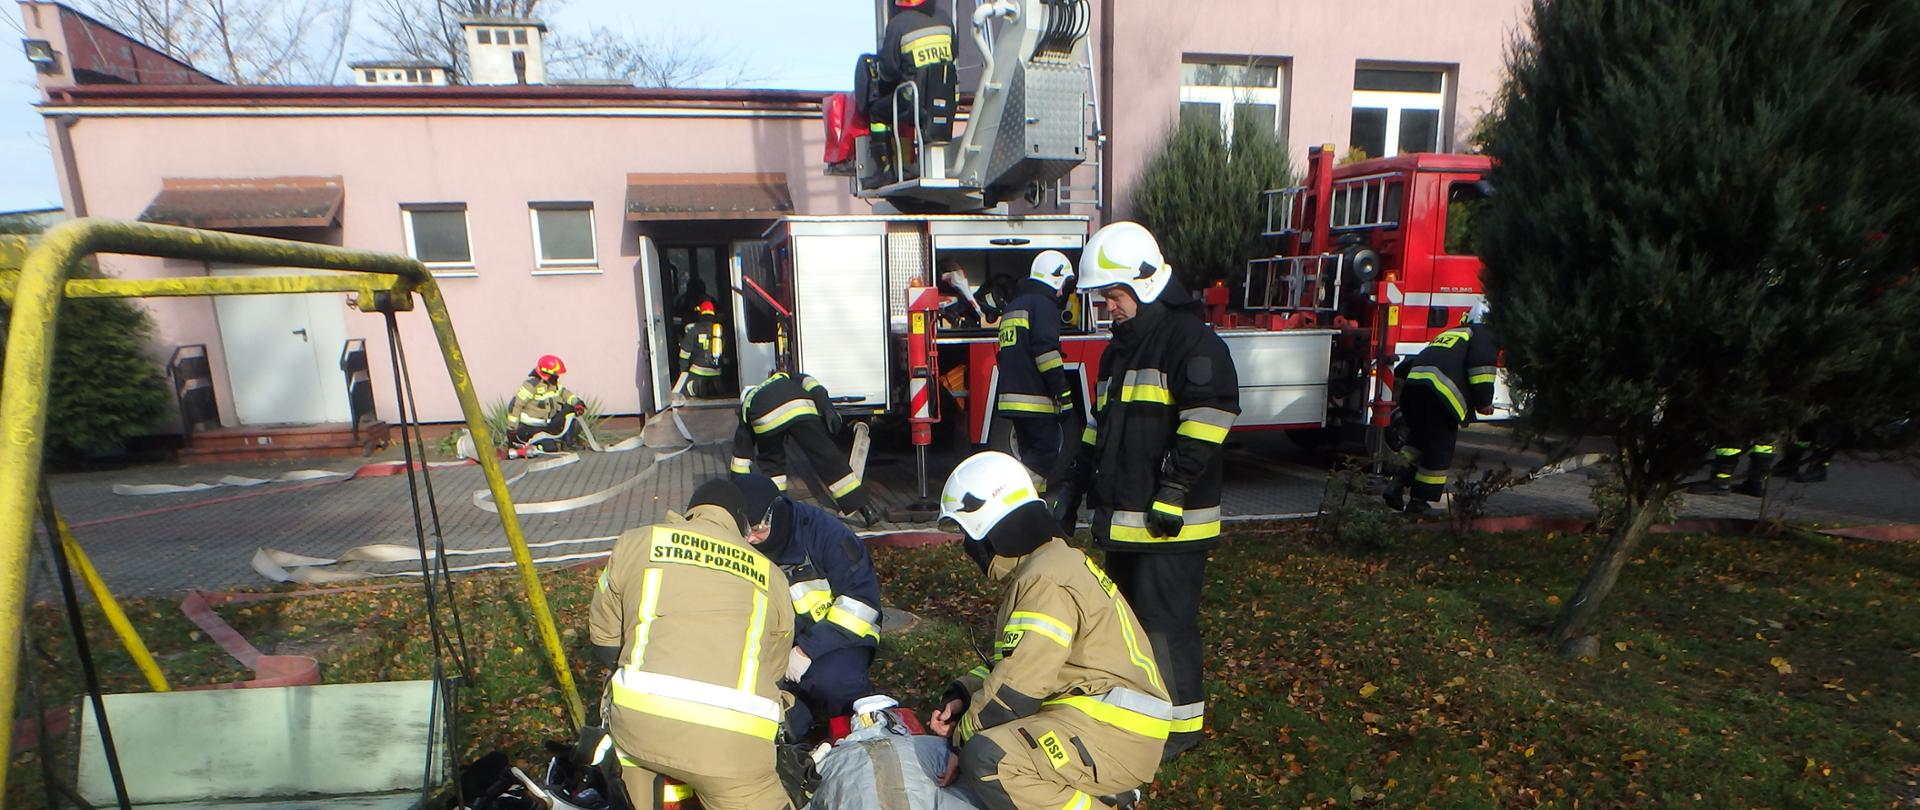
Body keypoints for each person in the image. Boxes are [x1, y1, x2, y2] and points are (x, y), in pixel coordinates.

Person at [1047, 221, 1238, 761]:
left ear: (1147, 281)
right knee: (1128, 630)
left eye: (1113, 295)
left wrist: (1173, 491)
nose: (1106, 307)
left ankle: (1180, 731)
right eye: (1102, 298)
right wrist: (1070, 490)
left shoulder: (1188, 340)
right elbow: (1098, 430)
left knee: (1165, 627)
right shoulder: (1119, 352)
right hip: (1125, 522)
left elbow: (1209, 415)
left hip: (1171, 525)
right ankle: (1141, 716)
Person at [931, 451, 1169, 810]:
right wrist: (963, 695)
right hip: (1098, 720)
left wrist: (959, 742)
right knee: (990, 740)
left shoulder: (1045, 580)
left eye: (968, 534)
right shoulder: (1048, 564)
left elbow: (1016, 692)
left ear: (992, 530)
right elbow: (1016, 664)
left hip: (1117, 735)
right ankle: (1103, 796)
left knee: (991, 760)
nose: (968, 548)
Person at [587, 479, 796, 810]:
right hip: (732, 744)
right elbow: (773, 670)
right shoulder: (770, 575)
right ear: (740, 522)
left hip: (640, 724)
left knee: (629, 785)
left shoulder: (637, 542)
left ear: (691, 512)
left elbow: (605, 642)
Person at [735, 473, 885, 738]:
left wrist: (806, 651)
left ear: (776, 513)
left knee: (835, 684)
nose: (750, 541)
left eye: (757, 530)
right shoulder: (739, 544)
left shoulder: (827, 535)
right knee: (780, 724)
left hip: (838, 638)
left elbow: (861, 602)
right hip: (775, 648)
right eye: (744, 533)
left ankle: (854, 736)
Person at [731, 369, 884, 529]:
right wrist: (828, 409)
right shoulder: (786, 376)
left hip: (765, 419)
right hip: (801, 409)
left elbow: (741, 457)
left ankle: (780, 512)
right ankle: (866, 509)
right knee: (828, 458)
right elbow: (815, 387)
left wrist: (737, 487)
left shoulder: (748, 404)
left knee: (772, 465)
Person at [1385, 304, 1499, 515]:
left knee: (1417, 441)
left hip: (1413, 390)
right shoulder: (1483, 334)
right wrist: (1484, 402)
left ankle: (1395, 484)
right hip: (1439, 394)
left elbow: (1406, 366)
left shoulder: (1452, 333)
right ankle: (1419, 502)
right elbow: (1480, 372)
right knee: (1439, 447)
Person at [989, 251, 1079, 482]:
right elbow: (1046, 354)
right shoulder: (1044, 306)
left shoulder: (1014, 306)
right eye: (1066, 285)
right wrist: (1063, 392)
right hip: (1036, 401)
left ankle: (1029, 505)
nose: (1064, 293)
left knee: (1029, 457)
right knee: (1043, 458)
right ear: (1058, 279)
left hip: (1013, 400)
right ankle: (1029, 504)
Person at [858, 0, 956, 186]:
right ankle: (917, 163)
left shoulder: (898, 24)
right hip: (946, 97)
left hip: (913, 98)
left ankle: (885, 170)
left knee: (878, 112)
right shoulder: (945, 19)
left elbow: (888, 71)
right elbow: (953, 53)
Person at [507, 354, 585, 452]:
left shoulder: (553, 384)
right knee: (550, 448)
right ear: (547, 373)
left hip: (548, 423)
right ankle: (528, 446)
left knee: (569, 412)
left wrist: (577, 403)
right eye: (555, 374)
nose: (557, 377)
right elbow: (516, 406)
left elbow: (565, 393)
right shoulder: (531, 385)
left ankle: (569, 443)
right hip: (531, 427)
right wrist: (512, 429)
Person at [679, 299, 728, 398]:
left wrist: (683, 370)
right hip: (716, 375)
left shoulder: (694, 329)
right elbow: (725, 352)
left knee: (683, 395)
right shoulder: (719, 330)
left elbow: (684, 353)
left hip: (697, 374)